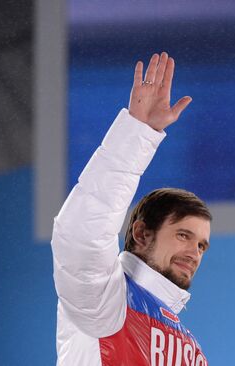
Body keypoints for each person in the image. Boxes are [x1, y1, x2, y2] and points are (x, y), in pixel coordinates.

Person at [51, 52, 212, 366]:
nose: (195, 252)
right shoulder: (106, 302)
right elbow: (81, 233)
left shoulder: (191, 349)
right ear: (141, 233)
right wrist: (138, 132)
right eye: (183, 235)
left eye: (201, 245)